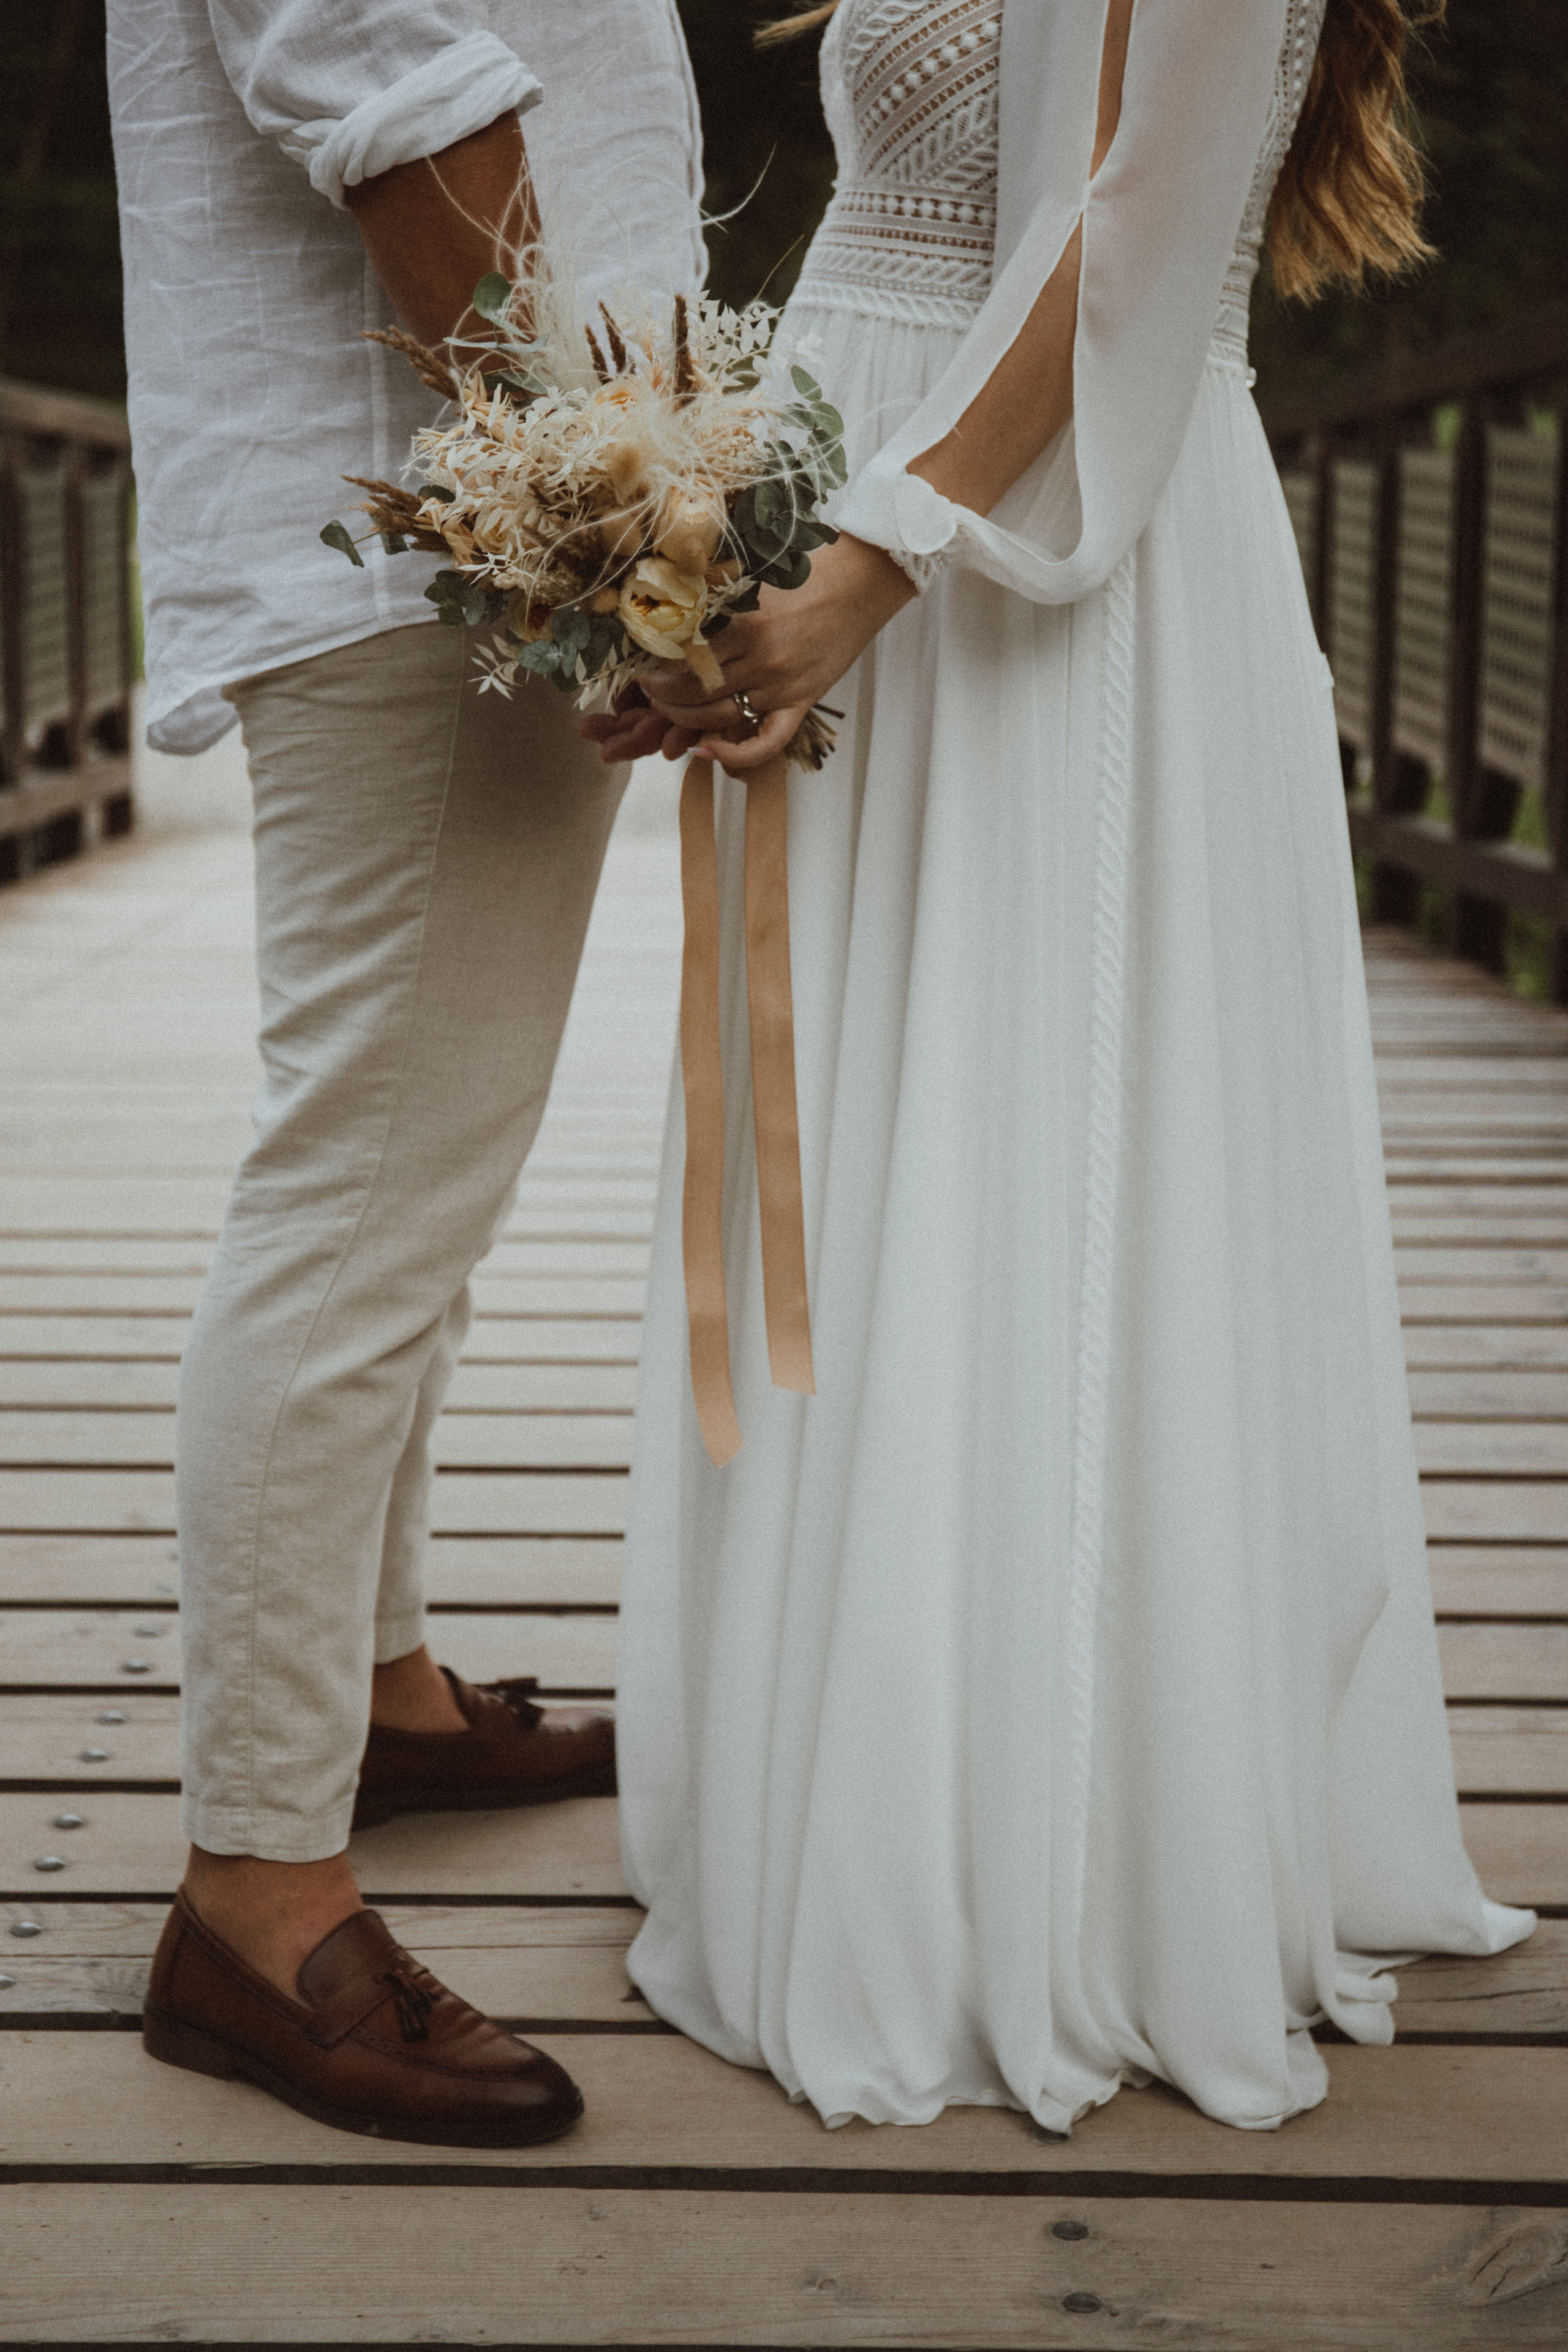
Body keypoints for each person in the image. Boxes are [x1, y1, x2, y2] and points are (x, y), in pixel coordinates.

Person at [589, 0, 1536, 2133]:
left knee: (1026, 1161)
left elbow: (1122, 231)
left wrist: (871, 557)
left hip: (1014, 569)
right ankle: (811, 1777)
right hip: (881, 521)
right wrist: (694, 523)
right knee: (861, 1122)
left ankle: (1033, 1863)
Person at [108, 0, 703, 2144]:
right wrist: (619, 524)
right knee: (363, 1200)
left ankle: (373, 1695)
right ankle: (259, 1889)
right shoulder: (520, 503)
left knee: (409, 1185)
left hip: (447, 522)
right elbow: (389, 97)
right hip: (441, 535)